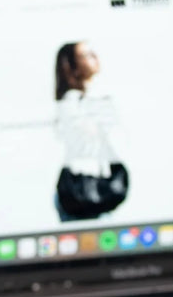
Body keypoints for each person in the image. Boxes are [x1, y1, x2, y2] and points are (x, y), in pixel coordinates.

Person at [53, 41, 129, 222]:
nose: (95, 58)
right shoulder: (72, 102)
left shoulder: (94, 97)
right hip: (82, 190)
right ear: (73, 67)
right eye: (86, 55)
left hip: (98, 186)